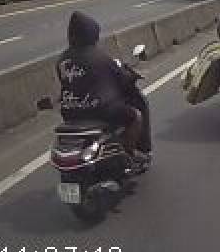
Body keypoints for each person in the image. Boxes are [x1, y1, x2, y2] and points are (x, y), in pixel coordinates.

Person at [56, 11, 150, 163]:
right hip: (100, 111)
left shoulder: (62, 59)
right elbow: (121, 78)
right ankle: (130, 153)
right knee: (136, 116)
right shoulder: (99, 57)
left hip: (69, 112)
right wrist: (131, 77)